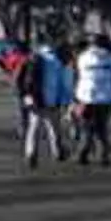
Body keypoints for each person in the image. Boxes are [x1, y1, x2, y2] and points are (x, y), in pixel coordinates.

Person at [14, 39, 71, 169]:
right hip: (51, 100)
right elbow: (62, 84)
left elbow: (19, 79)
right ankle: (57, 152)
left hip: (34, 99)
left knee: (33, 128)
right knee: (53, 128)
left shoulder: (32, 58)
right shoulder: (57, 61)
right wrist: (64, 101)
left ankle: (31, 154)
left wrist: (24, 96)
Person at [73, 34, 111, 164]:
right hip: (105, 99)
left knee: (86, 128)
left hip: (85, 98)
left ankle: (83, 153)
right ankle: (103, 155)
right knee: (102, 128)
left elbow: (76, 77)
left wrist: (73, 99)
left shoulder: (82, 57)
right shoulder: (110, 58)